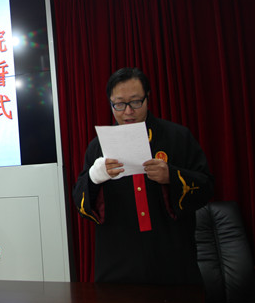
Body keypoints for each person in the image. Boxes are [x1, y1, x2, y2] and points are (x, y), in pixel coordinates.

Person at [73, 67, 214, 284]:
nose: (128, 111)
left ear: (147, 98)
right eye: (119, 104)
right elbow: (80, 204)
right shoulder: (97, 147)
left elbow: (206, 188)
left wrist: (172, 176)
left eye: (136, 102)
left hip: (172, 258)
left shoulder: (178, 137)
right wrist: (93, 178)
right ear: (110, 103)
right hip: (118, 262)